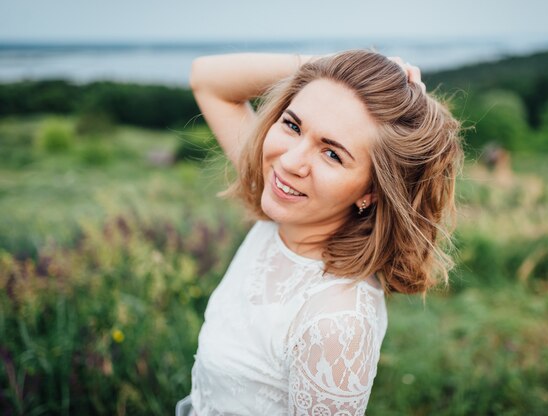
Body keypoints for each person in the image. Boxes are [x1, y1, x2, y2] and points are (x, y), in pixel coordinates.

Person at [178, 50, 463, 416]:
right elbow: (206, 78)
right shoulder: (288, 207)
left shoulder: (335, 324)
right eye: (293, 125)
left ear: (371, 191)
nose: (290, 162)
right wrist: (327, 66)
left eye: (332, 155)